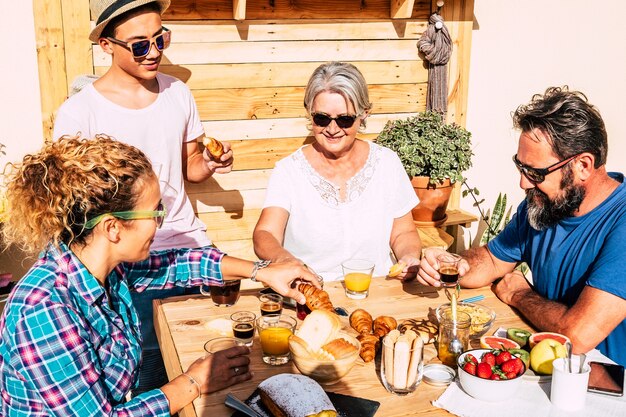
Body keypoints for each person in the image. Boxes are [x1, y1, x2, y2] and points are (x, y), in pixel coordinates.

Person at [0, 136, 319, 416]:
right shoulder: (44, 309)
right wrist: (194, 381)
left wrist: (263, 271)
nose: (161, 223)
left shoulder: (105, 268)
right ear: (113, 227)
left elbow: (179, 264)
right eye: (155, 212)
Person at [52, 0, 235, 392]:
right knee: (149, 369)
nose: (154, 52)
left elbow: (189, 168)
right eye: (139, 45)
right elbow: (76, 205)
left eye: (160, 38)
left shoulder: (178, 93)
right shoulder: (77, 114)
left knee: (206, 361)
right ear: (106, 45)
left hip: (189, 248)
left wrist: (210, 163)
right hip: (129, 263)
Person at [417, 86, 626, 366]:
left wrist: (519, 294)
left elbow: (577, 336)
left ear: (584, 166)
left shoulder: (620, 221)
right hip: (548, 367)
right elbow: (492, 260)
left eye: (536, 173)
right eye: (521, 167)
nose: (524, 183)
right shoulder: (543, 205)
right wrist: (453, 263)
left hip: (605, 389)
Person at [253, 61, 422, 282]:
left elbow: (403, 232)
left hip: (379, 290)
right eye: (321, 118)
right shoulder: (288, 171)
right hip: (310, 292)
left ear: (363, 115)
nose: (332, 129)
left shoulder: (386, 163)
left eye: (344, 120)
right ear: (309, 113)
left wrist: (408, 258)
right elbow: (265, 234)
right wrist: (285, 260)